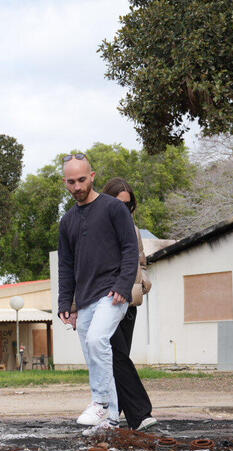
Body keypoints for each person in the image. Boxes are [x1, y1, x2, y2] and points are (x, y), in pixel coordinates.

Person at [57, 153, 139, 428]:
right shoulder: (67, 221)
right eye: (71, 182)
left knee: (96, 341)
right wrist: (65, 303)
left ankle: (101, 403)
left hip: (112, 293)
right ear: (65, 182)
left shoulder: (113, 208)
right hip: (85, 299)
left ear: (92, 177)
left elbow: (130, 248)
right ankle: (112, 418)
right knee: (94, 355)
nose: (77, 186)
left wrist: (123, 285)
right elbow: (66, 266)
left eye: (82, 179)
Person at [99, 177, 156, 432]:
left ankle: (111, 417)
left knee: (118, 359)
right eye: (118, 203)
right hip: (106, 301)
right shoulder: (98, 226)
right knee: (117, 356)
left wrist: (143, 280)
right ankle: (141, 414)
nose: (124, 208)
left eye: (128, 204)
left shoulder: (132, 228)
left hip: (130, 301)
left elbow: (140, 261)